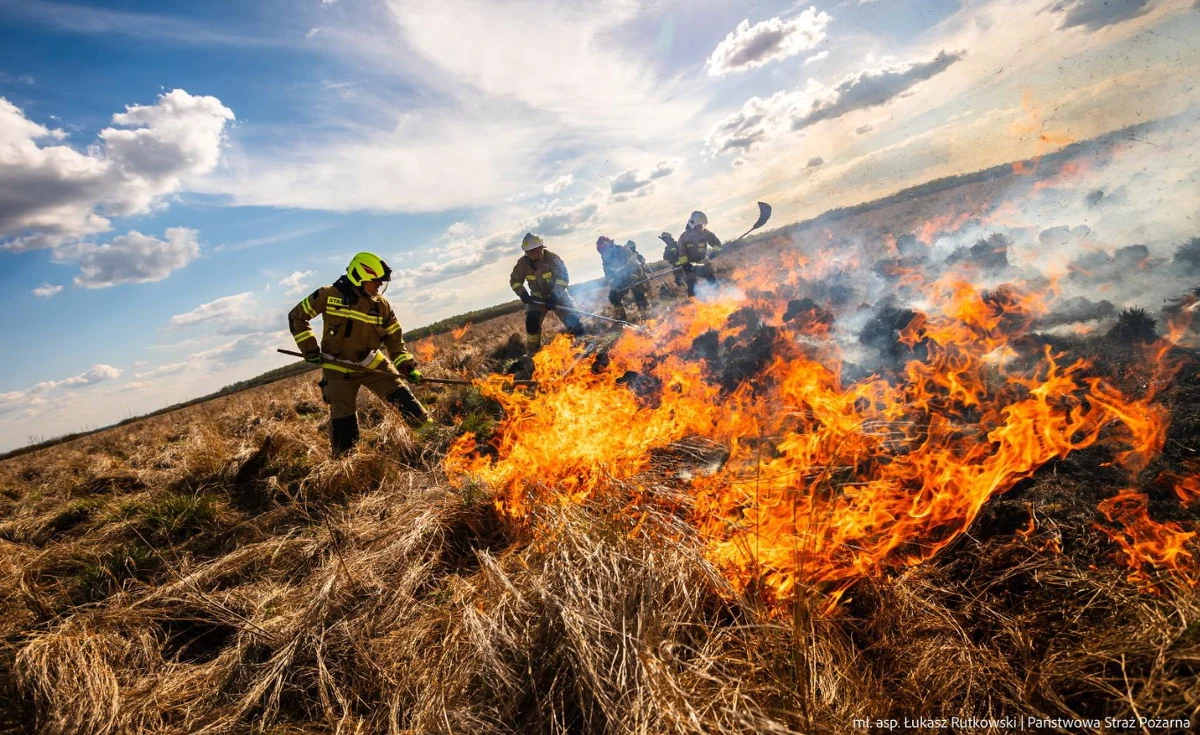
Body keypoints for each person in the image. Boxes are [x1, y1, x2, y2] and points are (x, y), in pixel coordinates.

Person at [288, 252, 431, 456]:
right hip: (338, 369)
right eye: (375, 282)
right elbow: (296, 317)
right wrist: (310, 350)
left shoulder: (381, 305)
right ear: (359, 277)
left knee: (403, 398)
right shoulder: (327, 295)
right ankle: (348, 465)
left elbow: (394, 338)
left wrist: (406, 365)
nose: (379, 286)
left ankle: (435, 438)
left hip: (372, 363)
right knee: (343, 421)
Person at [509, 233, 586, 355]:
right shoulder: (522, 265)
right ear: (526, 252)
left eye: (537, 249)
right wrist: (522, 294)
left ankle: (583, 342)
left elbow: (563, 277)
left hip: (558, 296)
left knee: (572, 318)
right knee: (532, 321)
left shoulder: (553, 259)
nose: (535, 253)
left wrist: (554, 296)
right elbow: (515, 281)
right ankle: (532, 352)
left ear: (542, 247)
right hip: (537, 299)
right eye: (531, 251)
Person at [596, 236, 649, 321]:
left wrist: (633, 278)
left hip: (634, 276)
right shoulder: (605, 260)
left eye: (605, 251)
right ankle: (622, 319)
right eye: (602, 252)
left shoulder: (623, 251)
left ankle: (644, 314)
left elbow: (636, 267)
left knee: (638, 289)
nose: (605, 254)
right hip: (621, 281)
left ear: (611, 246)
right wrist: (615, 286)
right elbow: (609, 276)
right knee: (613, 296)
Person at [675, 211, 722, 297]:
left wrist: (712, 255)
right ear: (693, 224)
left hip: (703, 262)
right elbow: (681, 253)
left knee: (713, 282)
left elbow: (717, 245)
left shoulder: (705, 233)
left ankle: (720, 298)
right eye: (699, 226)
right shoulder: (684, 237)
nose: (701, 228)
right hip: (689, 266)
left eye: (702, 225)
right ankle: (693, 305)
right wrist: (686, 266)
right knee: (692, 287)